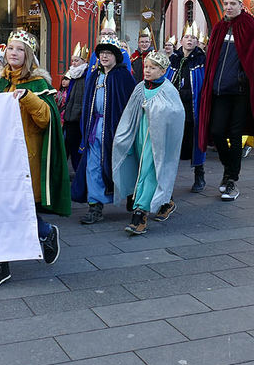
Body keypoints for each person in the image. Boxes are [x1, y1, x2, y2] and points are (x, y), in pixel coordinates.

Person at [0, 30, 68, 289]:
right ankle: (2, 264)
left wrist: (28, 98)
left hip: (27, 156)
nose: (13, 53)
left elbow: (46, 120)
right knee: (0, 207)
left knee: (17, 208)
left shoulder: (39, 85)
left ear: (28, 55)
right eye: (10, 48)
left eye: (19, 49)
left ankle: (44, 233)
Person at [197, 0, 254, 201]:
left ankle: (231, 179)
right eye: (226, 4)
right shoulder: (219, 28)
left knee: (235, 135)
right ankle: (229, 168)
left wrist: (244, 79)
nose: (229, 7)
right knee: (216, 131)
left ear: (241, 6)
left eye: (233, 3)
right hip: (220, 91)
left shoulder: (249, 26)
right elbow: (212, 59)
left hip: (240, 92)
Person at [113, 50, 183, 234]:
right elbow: (130, 112)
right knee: (142, 169)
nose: (147, 70)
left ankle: (140, 214)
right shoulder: (140, 87)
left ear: (162, 71)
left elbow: (176, 114)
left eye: (153, 68)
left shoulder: (169, 90)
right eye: (146, 67)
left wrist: (156, 110)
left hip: (157, 140)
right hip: (140, 135)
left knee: (149, 171)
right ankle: (165, 200)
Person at [72, 34, 135, 224]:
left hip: (116, 131)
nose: (105, 57)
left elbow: (130, 106)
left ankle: (132, 196)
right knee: (93, 167)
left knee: (122, 166)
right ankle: (95, 206)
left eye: (109, 53)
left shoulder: (123, 76)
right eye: (102, 53)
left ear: (116, 56)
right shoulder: (94, 77)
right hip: (94, 131)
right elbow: (87, 105)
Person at [167, 22, 206, 192]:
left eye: (193, 38)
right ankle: (167, 178)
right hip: (175, 109)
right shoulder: (173, 59)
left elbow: (202, 83)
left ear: (197, 42)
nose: (190, 40)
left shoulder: (201, 60)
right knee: (173, 143)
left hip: (193, 108)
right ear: (181, 41)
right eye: (187, 37)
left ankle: (199, 175)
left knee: (196, 141)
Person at [62, 43, 89, 171]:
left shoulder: (85, 76)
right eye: (72, 60)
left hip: (78, 119)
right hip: (69, 117)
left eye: (76, 60)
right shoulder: (73, 75)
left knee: (76, 150)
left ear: (84, 61)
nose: (73, 63)